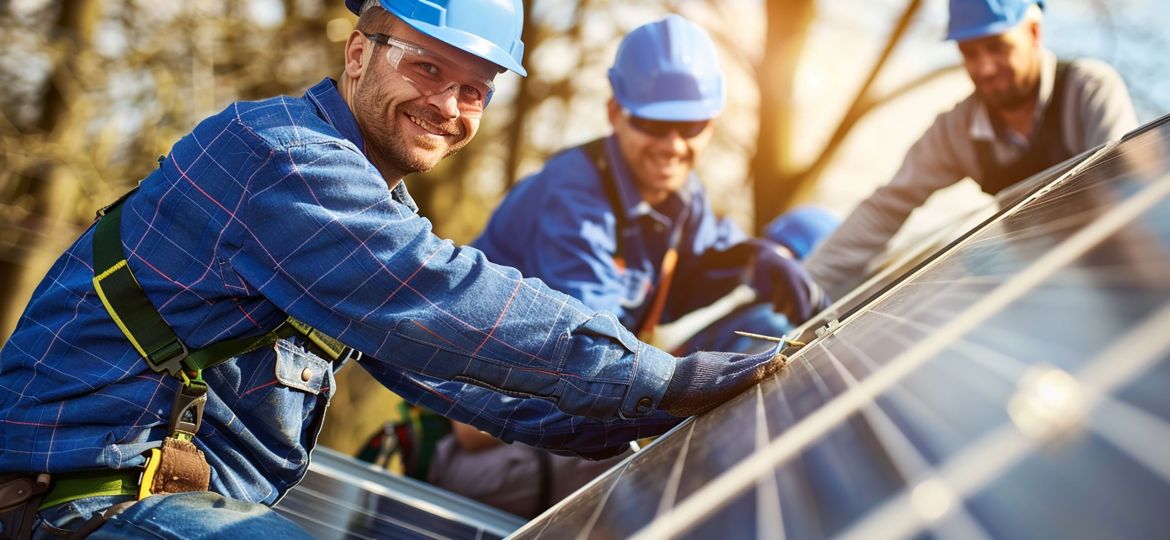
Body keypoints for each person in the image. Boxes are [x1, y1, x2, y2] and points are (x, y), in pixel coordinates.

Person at [0, 2, 790, 538]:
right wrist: (657, 377)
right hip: (82, 500)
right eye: (427, 69)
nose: (449, 105)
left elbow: (460, 382)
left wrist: (644, 421)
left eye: (474, 90)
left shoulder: (370, 205)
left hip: (171, 503)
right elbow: (441, 293)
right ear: (358, 54)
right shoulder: (282, 157)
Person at [426, 16, 829, 518]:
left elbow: (713, 254)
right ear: (616, 112)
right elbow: (595, 358)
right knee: (645, 469)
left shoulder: (681, 198)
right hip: (478, 439)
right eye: (654, 124)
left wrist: (753, 260)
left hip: (560, 414)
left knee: (763, 330)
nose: (673, 146)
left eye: (691, 127)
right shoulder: (574, 202)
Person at [804, 0, 1138, 298]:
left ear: (1034, 32)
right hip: (1034, 289)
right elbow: (887, 207)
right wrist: (809, 282)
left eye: (997, 46)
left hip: (1119, 273)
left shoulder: (1087, 90)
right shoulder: (956, 131)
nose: (984, 68)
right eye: (969, 53)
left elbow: (1126, 192)